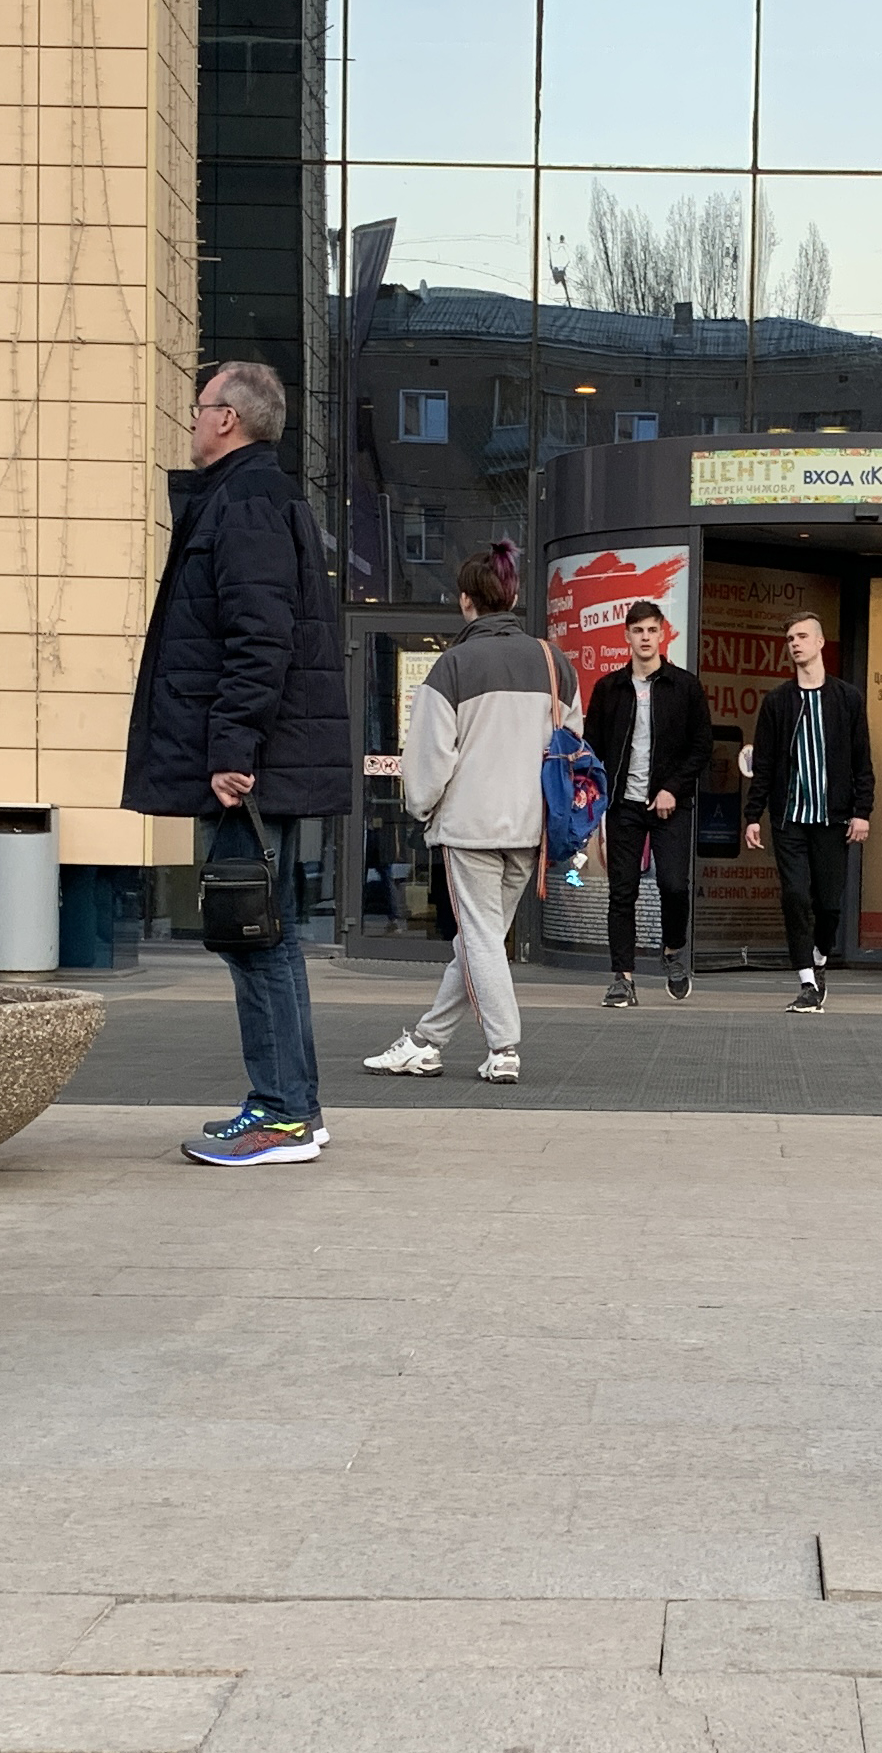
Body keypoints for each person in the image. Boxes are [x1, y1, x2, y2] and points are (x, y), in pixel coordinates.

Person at [122, 360, 347, 1167]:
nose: (189, 418)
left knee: (253, 934)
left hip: (255, 763)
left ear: (227, 419)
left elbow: (261, 638)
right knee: (266, 934)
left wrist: (232, 752)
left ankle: (284, 1115)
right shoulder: (251, 495)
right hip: (266, 758)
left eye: (198, 406)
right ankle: (290, 1107)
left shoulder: (247, 499)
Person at [362, 542, 576, 1085]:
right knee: (476, 943)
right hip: (532, 829)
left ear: (465, 601)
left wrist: (421, 809)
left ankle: (504, 1047)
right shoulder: (555, 663)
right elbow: (572, 744)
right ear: (514, 595)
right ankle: (426, 1041)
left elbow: (429, 760)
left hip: (471, 826)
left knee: (479, 941)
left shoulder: (452, 665)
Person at [741, 612, 871, 1012]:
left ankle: (819, 956)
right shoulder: (778, 701)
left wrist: (862, 811)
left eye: (802, 636)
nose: (795, 643)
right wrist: (752, 815)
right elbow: (763, 764)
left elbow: (861, 760)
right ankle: (807, 982)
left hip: (833, 819)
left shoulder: (846, 698)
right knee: (795, 895)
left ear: (819, 643)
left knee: (829, 903)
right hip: (789, 819)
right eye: (790, 638)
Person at [579, 599, 705, 1005]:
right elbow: (593, 746)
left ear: (663, 633)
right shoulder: (608, 688)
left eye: (652, 630)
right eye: (638, 631)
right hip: (623, 806)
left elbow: (701, 747)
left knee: (673, 885)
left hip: (671, 803)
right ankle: (622, 978)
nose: (645, 638)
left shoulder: (685, 686)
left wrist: (673, 788)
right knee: (622, 892)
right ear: (627, 637)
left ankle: (672, 951)